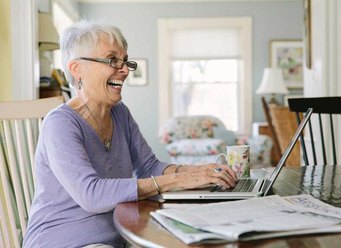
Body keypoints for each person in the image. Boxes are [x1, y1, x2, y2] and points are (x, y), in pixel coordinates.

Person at [23, 20, 237, 248]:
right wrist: (178, 179)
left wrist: (201, 172)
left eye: (125, 61)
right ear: (77, 69)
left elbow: (148, 166)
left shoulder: (119, 113)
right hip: (62, 242)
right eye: (112, 60)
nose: (124, 70)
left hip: (116, 238)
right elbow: (91, 195)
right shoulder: (60, 123)